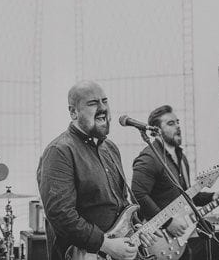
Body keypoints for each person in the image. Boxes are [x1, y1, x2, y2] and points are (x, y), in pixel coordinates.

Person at [37, 80, 150, 260]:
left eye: (105, 101)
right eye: (93, 103)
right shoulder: (59, 151)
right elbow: (61, 213)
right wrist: (106, 245)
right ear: (73, 112)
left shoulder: (110, 149)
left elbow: (121, 202)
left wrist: (135, 228)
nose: (103, 107)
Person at [131, 105, 219, 260]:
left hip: (179, 244)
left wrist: (213, 196)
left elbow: (185, 196)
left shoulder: (181, 158)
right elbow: (137, 195)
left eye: (177, 122)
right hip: (157, 241)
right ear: (156, 130)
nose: (178, 126)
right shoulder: (149, 158)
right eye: (171, 124)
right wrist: (168, 222)